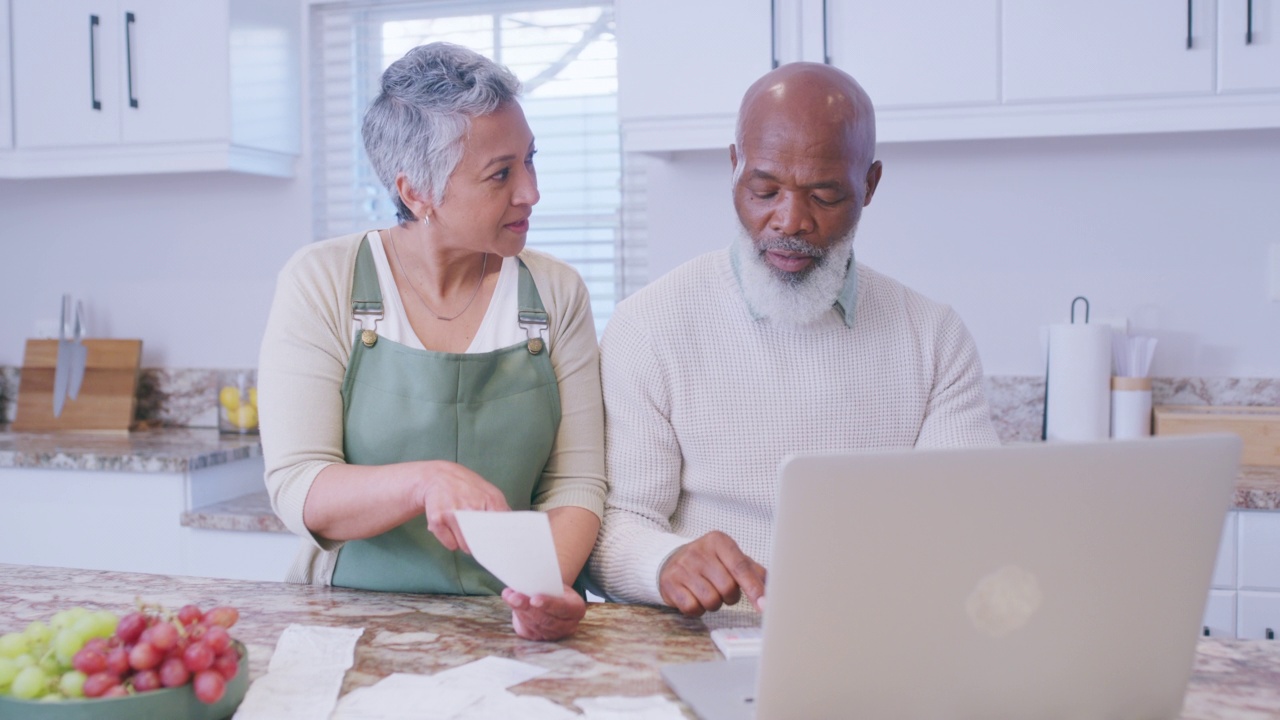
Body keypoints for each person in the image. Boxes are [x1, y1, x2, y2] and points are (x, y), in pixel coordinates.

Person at [588, 62, 1000, 620]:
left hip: (878, 638)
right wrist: (666, 562)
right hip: (705, 643)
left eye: (825, 196)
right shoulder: (649, 326)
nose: (789, 220)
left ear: (870, 185)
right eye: (764, 190)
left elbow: (971, 525)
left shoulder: (933, 337)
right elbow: (614, 530)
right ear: (733, 168)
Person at [258, 43, 605, 641]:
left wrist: (542, 591)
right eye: (501, 173)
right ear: (417, 191)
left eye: (530, 160)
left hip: (510, 623)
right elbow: (300, 485)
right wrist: (424, 481)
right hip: (344, 622)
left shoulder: (556, 292)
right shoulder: (322, 281)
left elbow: (575, 484)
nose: (531, 192)